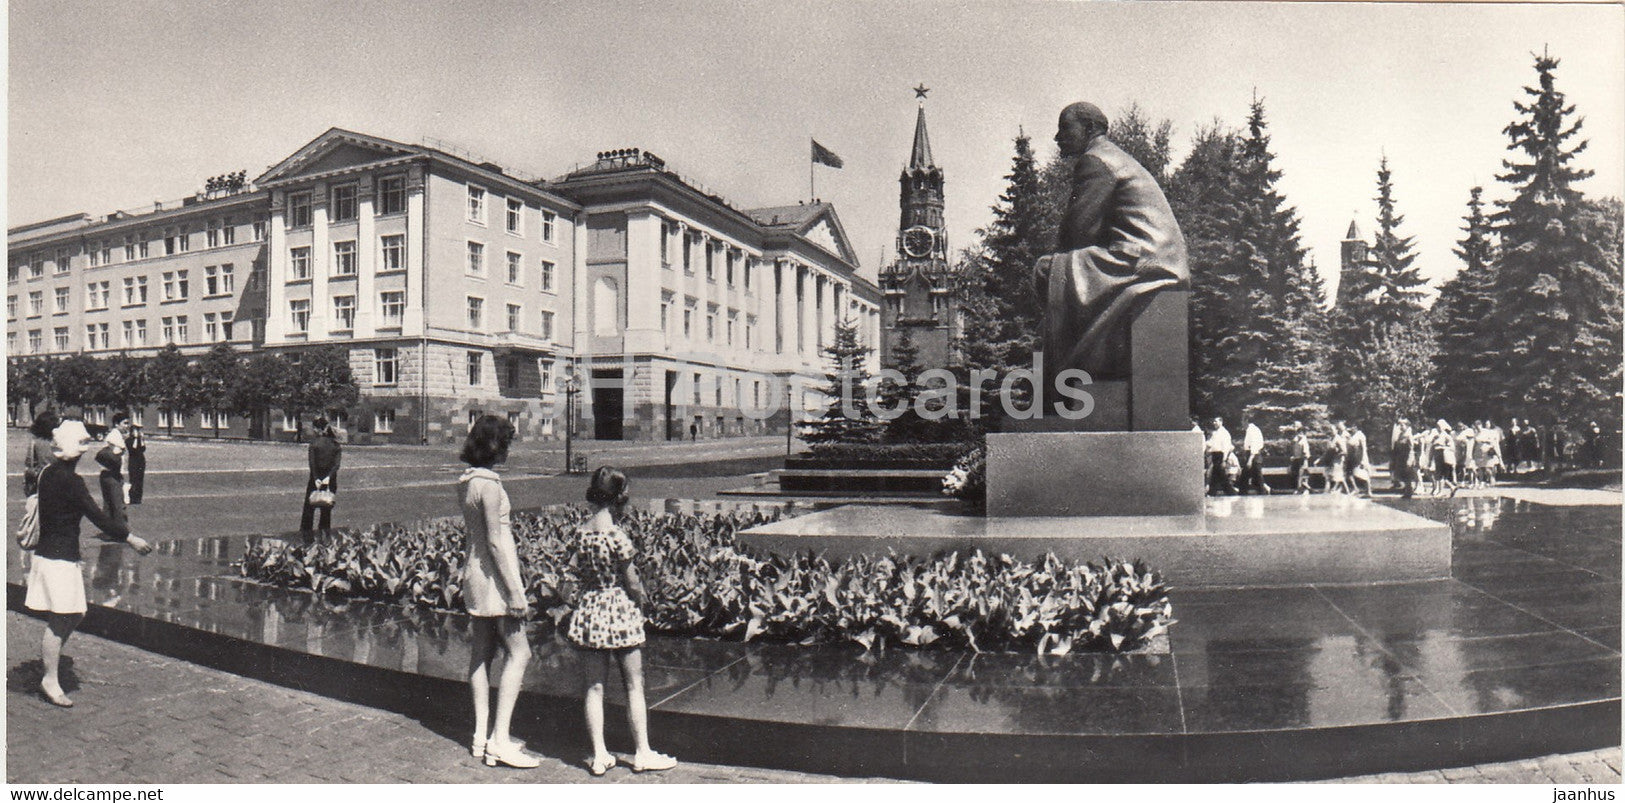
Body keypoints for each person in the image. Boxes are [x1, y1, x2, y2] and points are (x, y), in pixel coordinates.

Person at [26, 420, 153, 707]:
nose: (85, 451)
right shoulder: (71, 481)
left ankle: (50, 666)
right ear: (75, 450)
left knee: (74, 614)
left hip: (52, 555)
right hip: (59, 558)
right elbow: (98, 516)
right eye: (82, 446)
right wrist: (130, 537)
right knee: (62, 619)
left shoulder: (47, 473)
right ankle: (50, 678)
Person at [568, 466, 677, 776]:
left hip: (590, 610)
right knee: (633, 684)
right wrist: (644, 601)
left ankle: (599, 755)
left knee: (594, 687)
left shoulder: (582, 532)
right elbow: (631, 581)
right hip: (619, 611)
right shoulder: (617, 535)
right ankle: (642, 752)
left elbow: (571, 573)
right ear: (619, 498)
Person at [457, 414, 539, 769]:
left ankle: (481, 736)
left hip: (474, 572)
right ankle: (500, 740)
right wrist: (515, 592)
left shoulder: (466, 480)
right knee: (520, 654)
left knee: (481, 653)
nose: (508, 450)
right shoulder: (489, 484)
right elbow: (494, 541)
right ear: (494, 446)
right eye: (506, 444)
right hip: (495, 576)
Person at [298, 416, 343, 539]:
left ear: (318, 429)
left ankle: (306, 536)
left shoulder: (314, 444)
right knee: (326, 509)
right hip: (331, 480)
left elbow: (312, 464)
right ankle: (324, 535)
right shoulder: (335, 445)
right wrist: (328, 478)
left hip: (315, 479)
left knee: (309, 509)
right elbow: (336, 465)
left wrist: (317, 478)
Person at [95, 413, 132, 527]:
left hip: (105, 474)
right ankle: (122, 532)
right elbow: (116, 455)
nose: (127, 426)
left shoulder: (113, 435)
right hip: (113, 475)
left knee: (108, 505)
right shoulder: (115, 437)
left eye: (128, 423)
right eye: (125, 423)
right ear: (117, 424)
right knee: (118, 505)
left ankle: (109, 530)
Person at [22, 410, 61, 497]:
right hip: (58, 482)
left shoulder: (34, 443)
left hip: (40, 482)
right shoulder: (58, 443)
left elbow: (29, 464)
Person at [1204, 417, 1237, 496]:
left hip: (1220, 456)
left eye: (1216, 421)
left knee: (1221, 476)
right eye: (1214, 421)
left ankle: (1231, 492)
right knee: (1216, 475)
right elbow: (1212, 444)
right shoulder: (1216, 433)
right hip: (1215, 455)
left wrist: (1224, 460)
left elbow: (1226, 447)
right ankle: (1212, 492)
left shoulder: (1224, 433)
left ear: (1221, 422)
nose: (1214, 423)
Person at [1237, 417, 1270, 495]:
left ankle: (1263, 491)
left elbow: (1254, 446)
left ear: (1246, 420)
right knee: (1254, 478)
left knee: (1254, 478)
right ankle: (1264, 489)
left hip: (1254, 456)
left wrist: (1250, 459)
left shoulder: (1253, 430)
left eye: (1242, 420)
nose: (1241, 423)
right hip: (1251, 455)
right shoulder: (1249, 430)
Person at [1431, 420, 1458, 497]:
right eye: (1437, 426)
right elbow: (1432, 446)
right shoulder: (1436, 436)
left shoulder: (1447, 436)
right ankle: (1452, 487)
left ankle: (1441, 491)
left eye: (1439, 426)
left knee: (1441, 474)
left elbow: (1452, 447)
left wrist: (1442, 447)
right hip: (1437, 455)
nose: (1438, 428)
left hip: (1443, 456)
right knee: (1437, 474)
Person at [1346, 421, 1371, 498]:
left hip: (1360, 456)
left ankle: (1368, 491)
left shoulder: (1361, 435)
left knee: (1363, 474)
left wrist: (1363, 460)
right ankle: (1356, 489)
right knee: (1352, 473)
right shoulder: (1353, 435)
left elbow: (1364, 448)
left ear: (1356, 427)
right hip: (1353, 457)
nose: (1351, 429)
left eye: (1352, 427)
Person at [1391, 418, 1415, 498]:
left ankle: (1409, 491)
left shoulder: (1409, 435)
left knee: (1407, 474)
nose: (1400, 427)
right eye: (1399, 425)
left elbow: (1411, 448)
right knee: (1401, 474)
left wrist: (1410, 459)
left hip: (1406, 457)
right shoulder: (1400, 434)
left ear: (1407, 426)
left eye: (1402, 425)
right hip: (1400, 457)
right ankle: (1407, 490)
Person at [125, 422, 147, 505]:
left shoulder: (140, 440)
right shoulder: (128, 440)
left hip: (140, 461)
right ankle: (132, 498)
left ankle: (138, 498)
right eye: (135, 430)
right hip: (133, 461)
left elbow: (143, 449)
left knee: (140, 480)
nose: (137, 432)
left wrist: (141, 439)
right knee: (133, 479)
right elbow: (132, 449)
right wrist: (135, 438)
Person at [1289, 422, 1313, 494]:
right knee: (1297, 475)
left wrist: (1304, 459)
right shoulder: (1295, 438)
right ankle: (1302, 488)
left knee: (1302, 475)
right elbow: (1294, 449)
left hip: (1302, 459)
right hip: (1297, 459)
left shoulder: (1303, 439)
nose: (1294, 428)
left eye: (1296, 426)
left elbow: (1305, 452)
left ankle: (1305, 489)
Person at [1325, 424, 1349, 494]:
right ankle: (1347, 490)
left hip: (1338, 460)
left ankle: (1333, 489)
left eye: (1332, 430)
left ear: (1336, 430)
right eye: (1330, 430)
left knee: (1337, 476)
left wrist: (1337, 454)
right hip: (1331, 460)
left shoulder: (1338, 439)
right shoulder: (1330, 439)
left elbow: (1344, 451)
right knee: (1335, 476)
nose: (1331, 431)